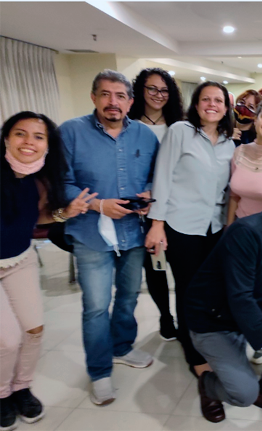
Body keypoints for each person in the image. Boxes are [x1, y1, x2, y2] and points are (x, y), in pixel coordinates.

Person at [61, 70, 159, 405]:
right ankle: (100, 371)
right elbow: (62, 182)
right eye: (105, 94)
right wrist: (98, 205)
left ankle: (121, 347)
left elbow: (156, 177)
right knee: (96, 307)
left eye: (120, 96)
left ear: (130, 101)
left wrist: (149, 194)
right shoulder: (71, 132)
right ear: (94, 97)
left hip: (132, 233)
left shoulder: (145, 136)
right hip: (90, 234)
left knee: (129, 297)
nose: (112, 102)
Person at [186, 174, 262, 423]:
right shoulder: (245, 233)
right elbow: (240, 297)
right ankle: (208, 385)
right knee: (243, 394)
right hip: (214, 320)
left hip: (254, 308)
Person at [0, 112, 94, 430]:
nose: (29, 142)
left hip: (20, 259)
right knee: (7, 340)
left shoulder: (40, 179)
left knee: (34, 330)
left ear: (47, 145)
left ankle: (21, 387)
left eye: (38, 137)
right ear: (6, 138)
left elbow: (37, 218)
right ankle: (1, 394)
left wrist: (65, 213)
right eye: (20, 134)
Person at [145, 81, 235, 379]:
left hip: (214, 227)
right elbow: (162, 177)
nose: (212, 105)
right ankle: (192, 348)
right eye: (206, 99)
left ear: (226, 108)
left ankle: (205, 336)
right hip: (181, 224)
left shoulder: (229, 143)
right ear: (196, 105)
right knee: (188, 289)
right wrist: (157, 224)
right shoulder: (179, 132)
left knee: (209, 288)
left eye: (218, 100)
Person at [129, 67, 184, 341]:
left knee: (181, 268)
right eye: (152, 88)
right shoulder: (129, 124)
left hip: (176, 207)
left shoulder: (179, 125)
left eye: (164, 90)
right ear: (140, 90)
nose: (158, 95)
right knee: (154, 268)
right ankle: (165, 316)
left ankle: (186, 317)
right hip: (143, 210)